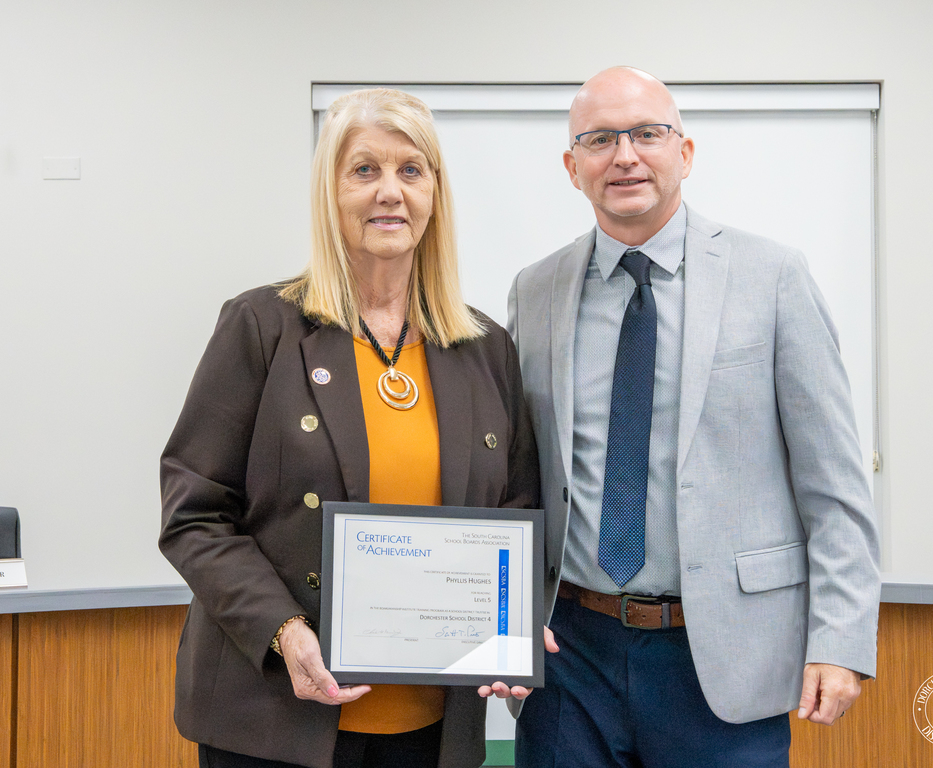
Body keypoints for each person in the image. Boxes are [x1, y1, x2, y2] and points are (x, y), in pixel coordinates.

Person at [506, 67, 880, 767]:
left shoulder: (773, 277)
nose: (625, 155)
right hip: (570, 659)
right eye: (600, 139)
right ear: (571, 166)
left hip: (723, 655)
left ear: (686, 152)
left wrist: (840, 637)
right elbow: (519, 475)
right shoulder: (535, 291)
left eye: (648, 133)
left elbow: (835, 487)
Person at [159, 88, 540, 768]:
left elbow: (517, 511)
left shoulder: (487, 349)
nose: (390, 192)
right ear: (330, 192)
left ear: (435, 195)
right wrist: (285, 632)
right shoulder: (262, 328)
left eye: (410, 170)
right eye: (365, 170)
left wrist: (509, 629)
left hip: (433, 731)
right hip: (274, 720)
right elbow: (195, 514)